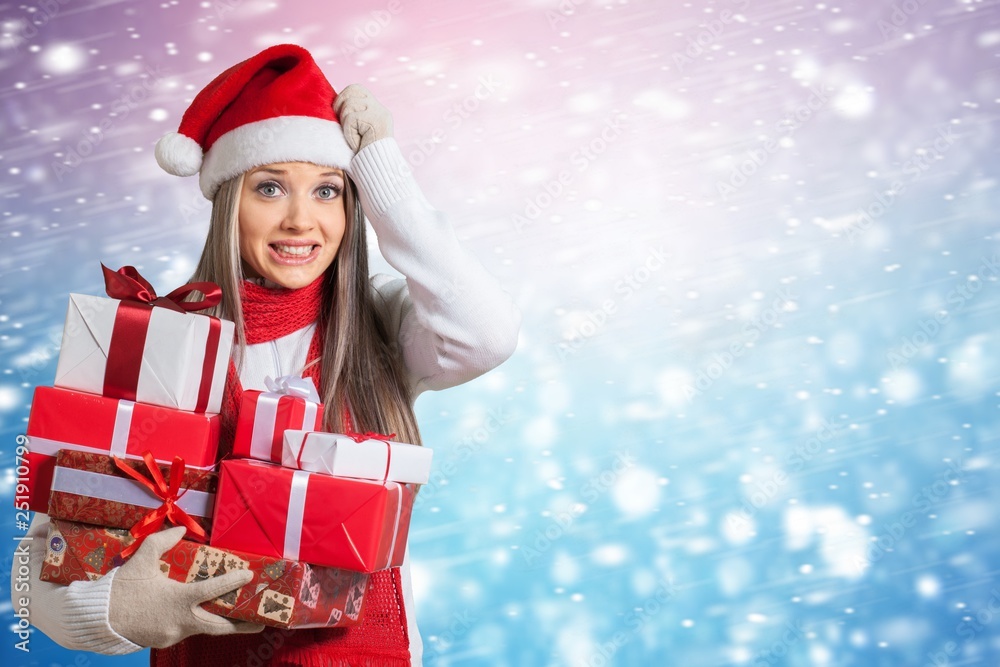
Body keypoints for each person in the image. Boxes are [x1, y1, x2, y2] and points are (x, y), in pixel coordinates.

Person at [13, 43, 520, 666]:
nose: (301, 220)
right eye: (271, 187)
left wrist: (384, 175)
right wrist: (114, 607)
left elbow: (488, 333)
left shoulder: (378, 327)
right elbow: (33, 568)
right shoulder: (156, 340)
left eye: (329, 191)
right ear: (230, 201)